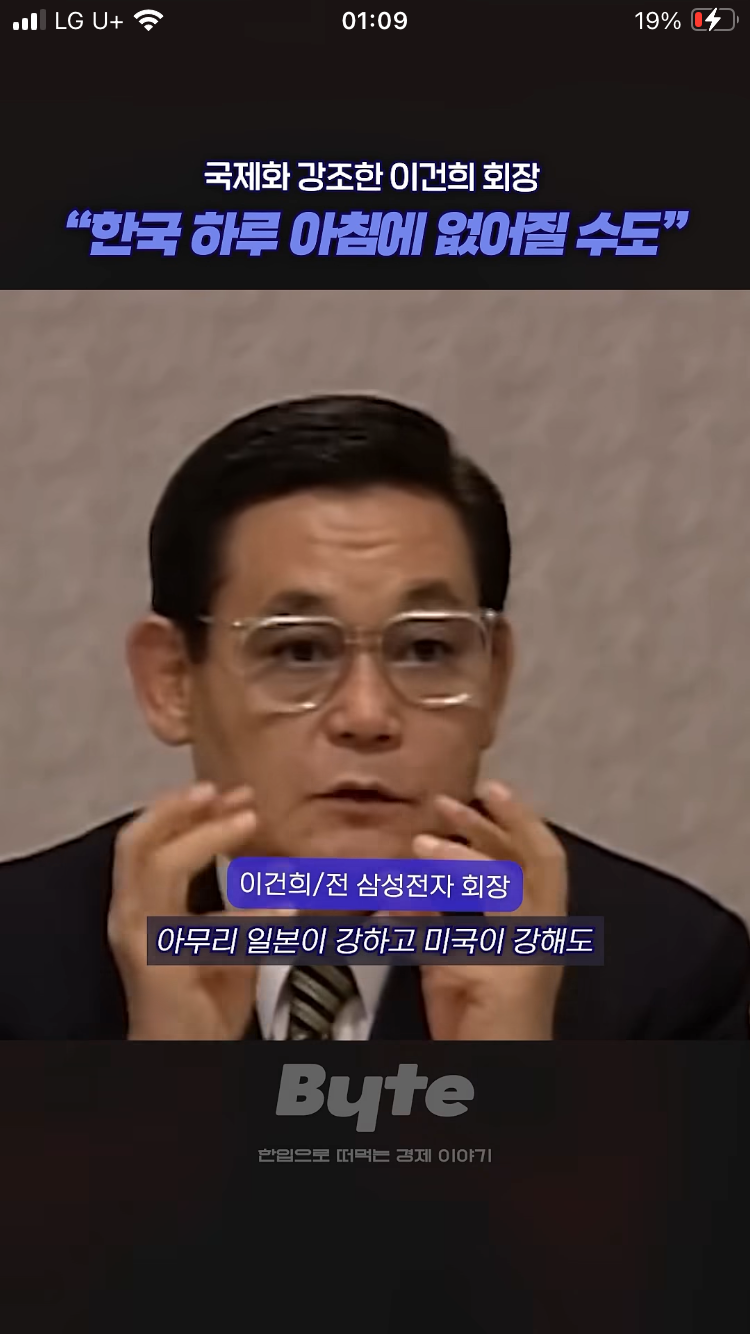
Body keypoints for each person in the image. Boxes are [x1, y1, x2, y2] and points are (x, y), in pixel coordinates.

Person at [0, 393, 748, 1040]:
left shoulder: (666, 975)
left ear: (493, 679)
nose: (367, 716)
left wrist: (512, 1093)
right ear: (172, 681)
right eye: (298, 651)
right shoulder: (23, 965)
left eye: (426, 649)